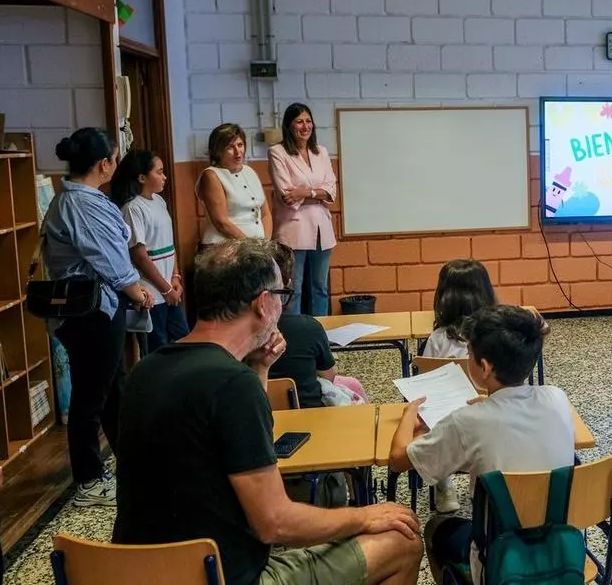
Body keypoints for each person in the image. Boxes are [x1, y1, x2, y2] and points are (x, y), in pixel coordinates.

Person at [113, 238, 423, 585]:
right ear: (263, 304)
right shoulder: (232, 383)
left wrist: (260, 370)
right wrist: (363, 517)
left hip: (135, 573)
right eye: (281, 296)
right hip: (219, 576)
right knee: (402, 540)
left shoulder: (146, 370)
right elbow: (275, 523)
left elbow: (243, 443)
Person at [389, 305, 574, 585]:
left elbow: (398, 459)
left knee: (436, 526)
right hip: (561, 549)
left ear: (485, 367)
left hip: (498, 556)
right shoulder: (558, 398)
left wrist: (407, 417)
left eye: (470, 353)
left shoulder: (467, 422)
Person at [43, 127, 153, 507]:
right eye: (115, 158)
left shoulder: (83, 197)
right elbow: (109, 259)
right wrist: (135, 290)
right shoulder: (80, 203)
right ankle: (89, 479)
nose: (117, 164)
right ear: (104, 163)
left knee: (111, 387)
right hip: (89, 311)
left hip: (99, 308)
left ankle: (132, 462)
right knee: (92, 394)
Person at [422, 258, 499, 512]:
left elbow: (427, 389)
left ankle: (444, 486)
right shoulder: (497, 336)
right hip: (490, 425)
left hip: (448, 430)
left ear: (444, 296)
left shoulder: (437, 339)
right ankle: (483, 487)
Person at [268, 242, 367, 408]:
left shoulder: (234, 333)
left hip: (256, 411)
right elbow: (329, 376)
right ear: (289, 282)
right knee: (352, 385)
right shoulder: (307, 328)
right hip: (308, 411)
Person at [111, 149, 187, 353]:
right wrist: (165, 289)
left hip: (169, 288)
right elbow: (139, 256)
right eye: (159, 172)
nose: (164, 177)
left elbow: (169, 245)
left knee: (183, 339)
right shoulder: (132, 208)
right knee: (157, 347)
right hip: (151, 292)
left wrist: (175, 277)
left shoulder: (159, 201)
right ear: (142, 177)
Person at [269, 103, 338, 316]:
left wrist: (306, 193)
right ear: (289, 125)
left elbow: (332, 190)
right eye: (299, 121)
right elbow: (287, 195)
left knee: (320, 288)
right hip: (294, 230)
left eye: (308, 121)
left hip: (322, 230)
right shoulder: (277, 152)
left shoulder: (321, 152)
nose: (305, 126)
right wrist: (317, 193)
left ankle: (321, 334)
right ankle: (295, 337)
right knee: (293, 289)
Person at [197, 123, 271, 247]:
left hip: (258, 249)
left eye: (240, 145)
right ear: (217, 151)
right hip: (225, 249)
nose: (238, 151)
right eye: (230, 147)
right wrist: (251, 247)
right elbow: (221, 223)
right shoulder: (211, 175)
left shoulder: (249, 171)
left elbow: (265, 214)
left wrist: (265, 244)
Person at [426, 259, 498, 359]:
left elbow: (426, 373)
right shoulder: (501, 337)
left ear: (446, 298)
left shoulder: (438, 339)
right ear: (486, 293)